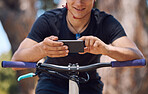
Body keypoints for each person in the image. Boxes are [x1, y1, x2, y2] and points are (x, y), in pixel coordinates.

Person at [12, 0, 144, 94]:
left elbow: (137, 57)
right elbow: (15, 62)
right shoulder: (48, 20)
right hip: (51, 83)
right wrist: (41, 49)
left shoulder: (105, 22)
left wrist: (106, 49)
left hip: (88, 83)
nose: (79, 3)